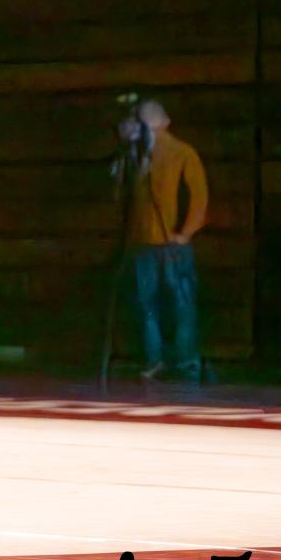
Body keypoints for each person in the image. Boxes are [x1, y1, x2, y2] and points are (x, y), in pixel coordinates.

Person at [120, 98, 209, 382]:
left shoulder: (182, 153)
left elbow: (198, 197)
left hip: (172, 245)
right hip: (144, 244)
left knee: (180, 305)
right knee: (147, 305)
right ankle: (155, 359)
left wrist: (185, 232)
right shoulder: (136, 158)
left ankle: (185, 362)